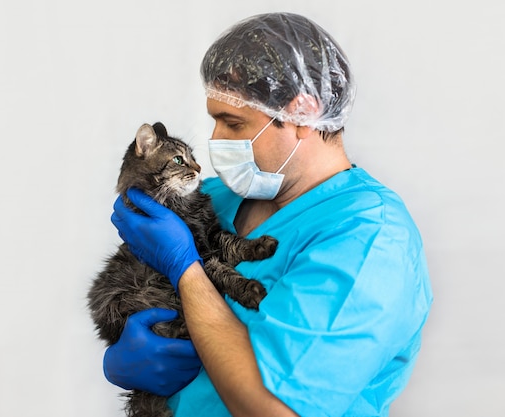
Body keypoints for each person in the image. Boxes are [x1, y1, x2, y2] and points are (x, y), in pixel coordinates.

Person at [105, 12, 433, 417]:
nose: (214, 140)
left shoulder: (372, 238)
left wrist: (186, 270)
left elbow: (274, 410)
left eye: (233, 122)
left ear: (302, 114)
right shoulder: (216, 197)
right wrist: (121, 357)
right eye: (214, 120)